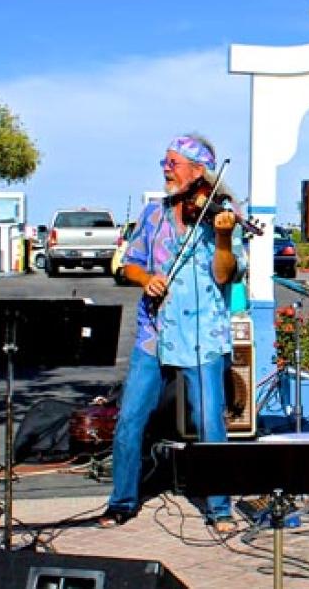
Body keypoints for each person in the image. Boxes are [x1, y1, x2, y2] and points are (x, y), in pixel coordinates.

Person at [101, 134, 245, 530]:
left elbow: (224, 275)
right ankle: (122, 501)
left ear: (198, 172)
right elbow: (129, 263)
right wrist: (146, 278)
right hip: (154, 331)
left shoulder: (223, 214)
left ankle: (218, 508)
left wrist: (225, 236)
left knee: (210, 422)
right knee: (130, 417)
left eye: (173, 162)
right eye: (165, 161)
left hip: (203, 334)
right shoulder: (154, 213)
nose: (165, 168)